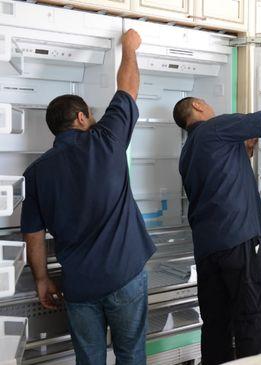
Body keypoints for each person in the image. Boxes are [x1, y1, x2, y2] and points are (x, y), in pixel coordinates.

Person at [20, 29, 155, 364]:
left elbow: (33, 235)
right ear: (81, 118)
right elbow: (128, 89)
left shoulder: (36, 173)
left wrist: (41, 279)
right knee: (131, 354)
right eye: (90, 115)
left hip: (79, 285)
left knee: (89, 359)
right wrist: (129, 48)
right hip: (124, 275)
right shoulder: (106, 141)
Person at [173, 97, 261, 364]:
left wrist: (244, 147)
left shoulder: (187, 151)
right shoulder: (217, 127)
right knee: (254, 319)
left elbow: (223, 173)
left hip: (208, 249)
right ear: (198, 107)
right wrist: (247, 122)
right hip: (238, 238)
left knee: (217, 325)